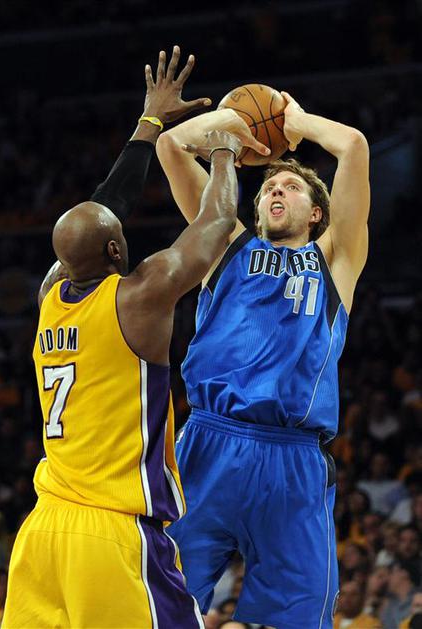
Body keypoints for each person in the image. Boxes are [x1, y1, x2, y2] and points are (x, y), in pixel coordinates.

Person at [1, 47, 261, 629]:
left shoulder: (49, 296)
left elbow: (103, 209)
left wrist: (150, 121)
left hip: (43, 530)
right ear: (117, 250)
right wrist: (224, 150)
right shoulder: (138, 297)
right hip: (111, 533)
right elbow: (216, 224)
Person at [156, 91, 370, 628]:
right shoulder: (226, 246)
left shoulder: (335, 260)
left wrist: (296, 121)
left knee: (299, 618)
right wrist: (232, 123)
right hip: (208, 444)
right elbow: (170, 146)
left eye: (292, 187)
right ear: (255, 209)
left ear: (316, 213)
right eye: (270, 187)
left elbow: (353, 146)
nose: (277, 189)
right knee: (158, 603)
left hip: (292, 459)